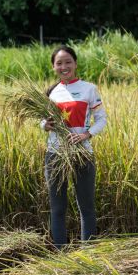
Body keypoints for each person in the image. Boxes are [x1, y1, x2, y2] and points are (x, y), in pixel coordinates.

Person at [42, 45, 107, 247]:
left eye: (68, 61)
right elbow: (42, 120)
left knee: (86, 206)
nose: (64, 66)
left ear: (75, 64)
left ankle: (88, 252)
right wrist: (46, 125)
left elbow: (101, 119)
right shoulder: (52, 92)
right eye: (59, 63)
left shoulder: (89, 89)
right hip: (55, 153)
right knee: (57, 207)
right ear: (53, 67)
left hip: (83, 154)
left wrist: (86, 135)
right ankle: (60, 251)